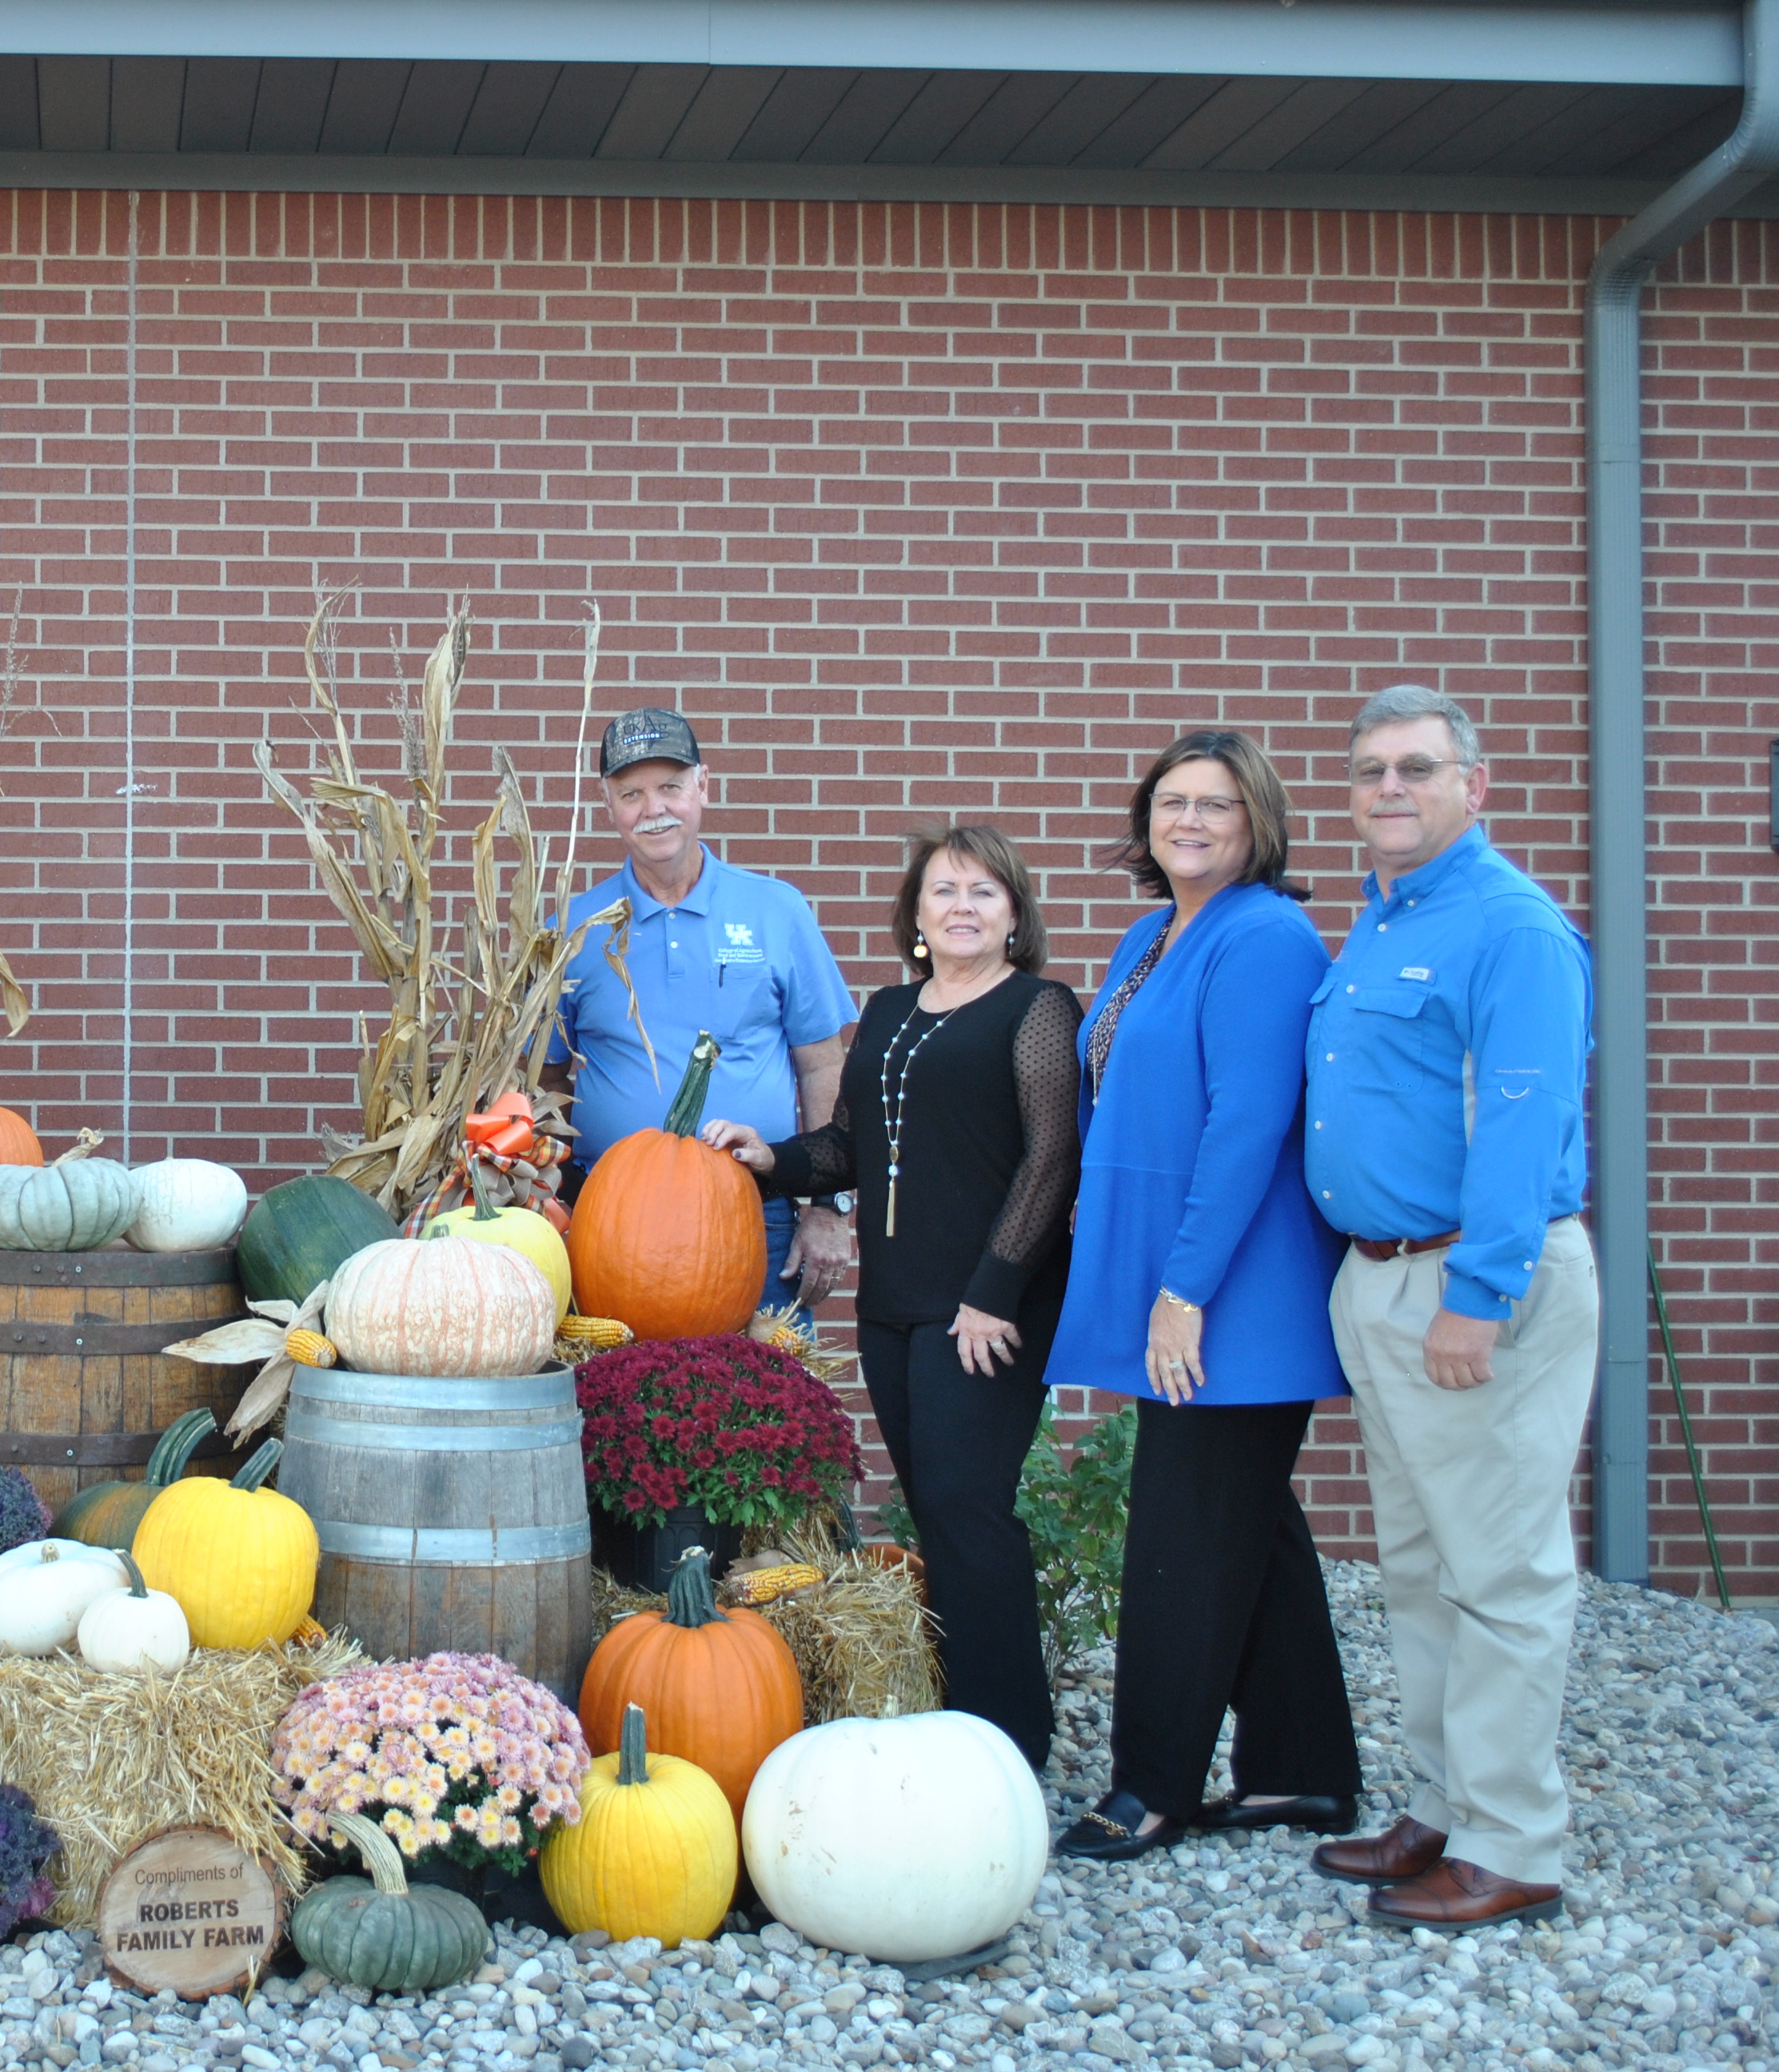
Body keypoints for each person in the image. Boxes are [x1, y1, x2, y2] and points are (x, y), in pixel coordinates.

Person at [1302, 685, 1597, 1932]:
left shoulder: (1510, 929)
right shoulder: (1380, 922)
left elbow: (1524, 1123)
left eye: (1417, 769)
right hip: (1382, 1280)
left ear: (1475, 787)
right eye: (1370, 771)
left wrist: (1479, 1295)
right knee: (1420, 1570)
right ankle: (1444, 1803)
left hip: (1471, 1282)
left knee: (1502, 1571)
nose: (1389, 790)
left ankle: (1516, 1839)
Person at [1043, 732, 1362, 1863]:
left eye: (1216, 805)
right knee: (1250, 1531)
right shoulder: (1152, 933)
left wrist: (1183, 1292)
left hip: (1236, 1291)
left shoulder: (1267, 936)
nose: (1190, 821)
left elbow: (1247, 1123)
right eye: (1171, 802)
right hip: (1177, 1272)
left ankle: (1153, 1786)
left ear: (1256, 822)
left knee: (1182, 1534)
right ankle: (1306, 1775)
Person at [703, 826, 1081, 1767]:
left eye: (984, 892)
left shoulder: (1037, 1009)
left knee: (967, 1506)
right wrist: (771, 1159)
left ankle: (1009, 1741)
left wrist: (994, 1290)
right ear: (914, 913)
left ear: (1014, 915)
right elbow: (848, 1149)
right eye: (944, 890)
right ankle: (962, 1717)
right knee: (932, 1506)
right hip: (897, 1306)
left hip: (989, 1308)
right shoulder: (887, 1011)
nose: (962, 906)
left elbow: (1051, 1161)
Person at [544, 707, 857, 1316]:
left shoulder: (776, 910)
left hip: (754, 1215)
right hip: (610, 1223)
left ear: (703, 787)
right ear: (608, 804)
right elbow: (547, 1081)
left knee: (762, 1406)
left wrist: (828, 1206)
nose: (652, 808)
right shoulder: (573, 929)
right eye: (631, 793)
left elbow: (823, 1067)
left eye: (669, 787)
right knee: (620, 1408)